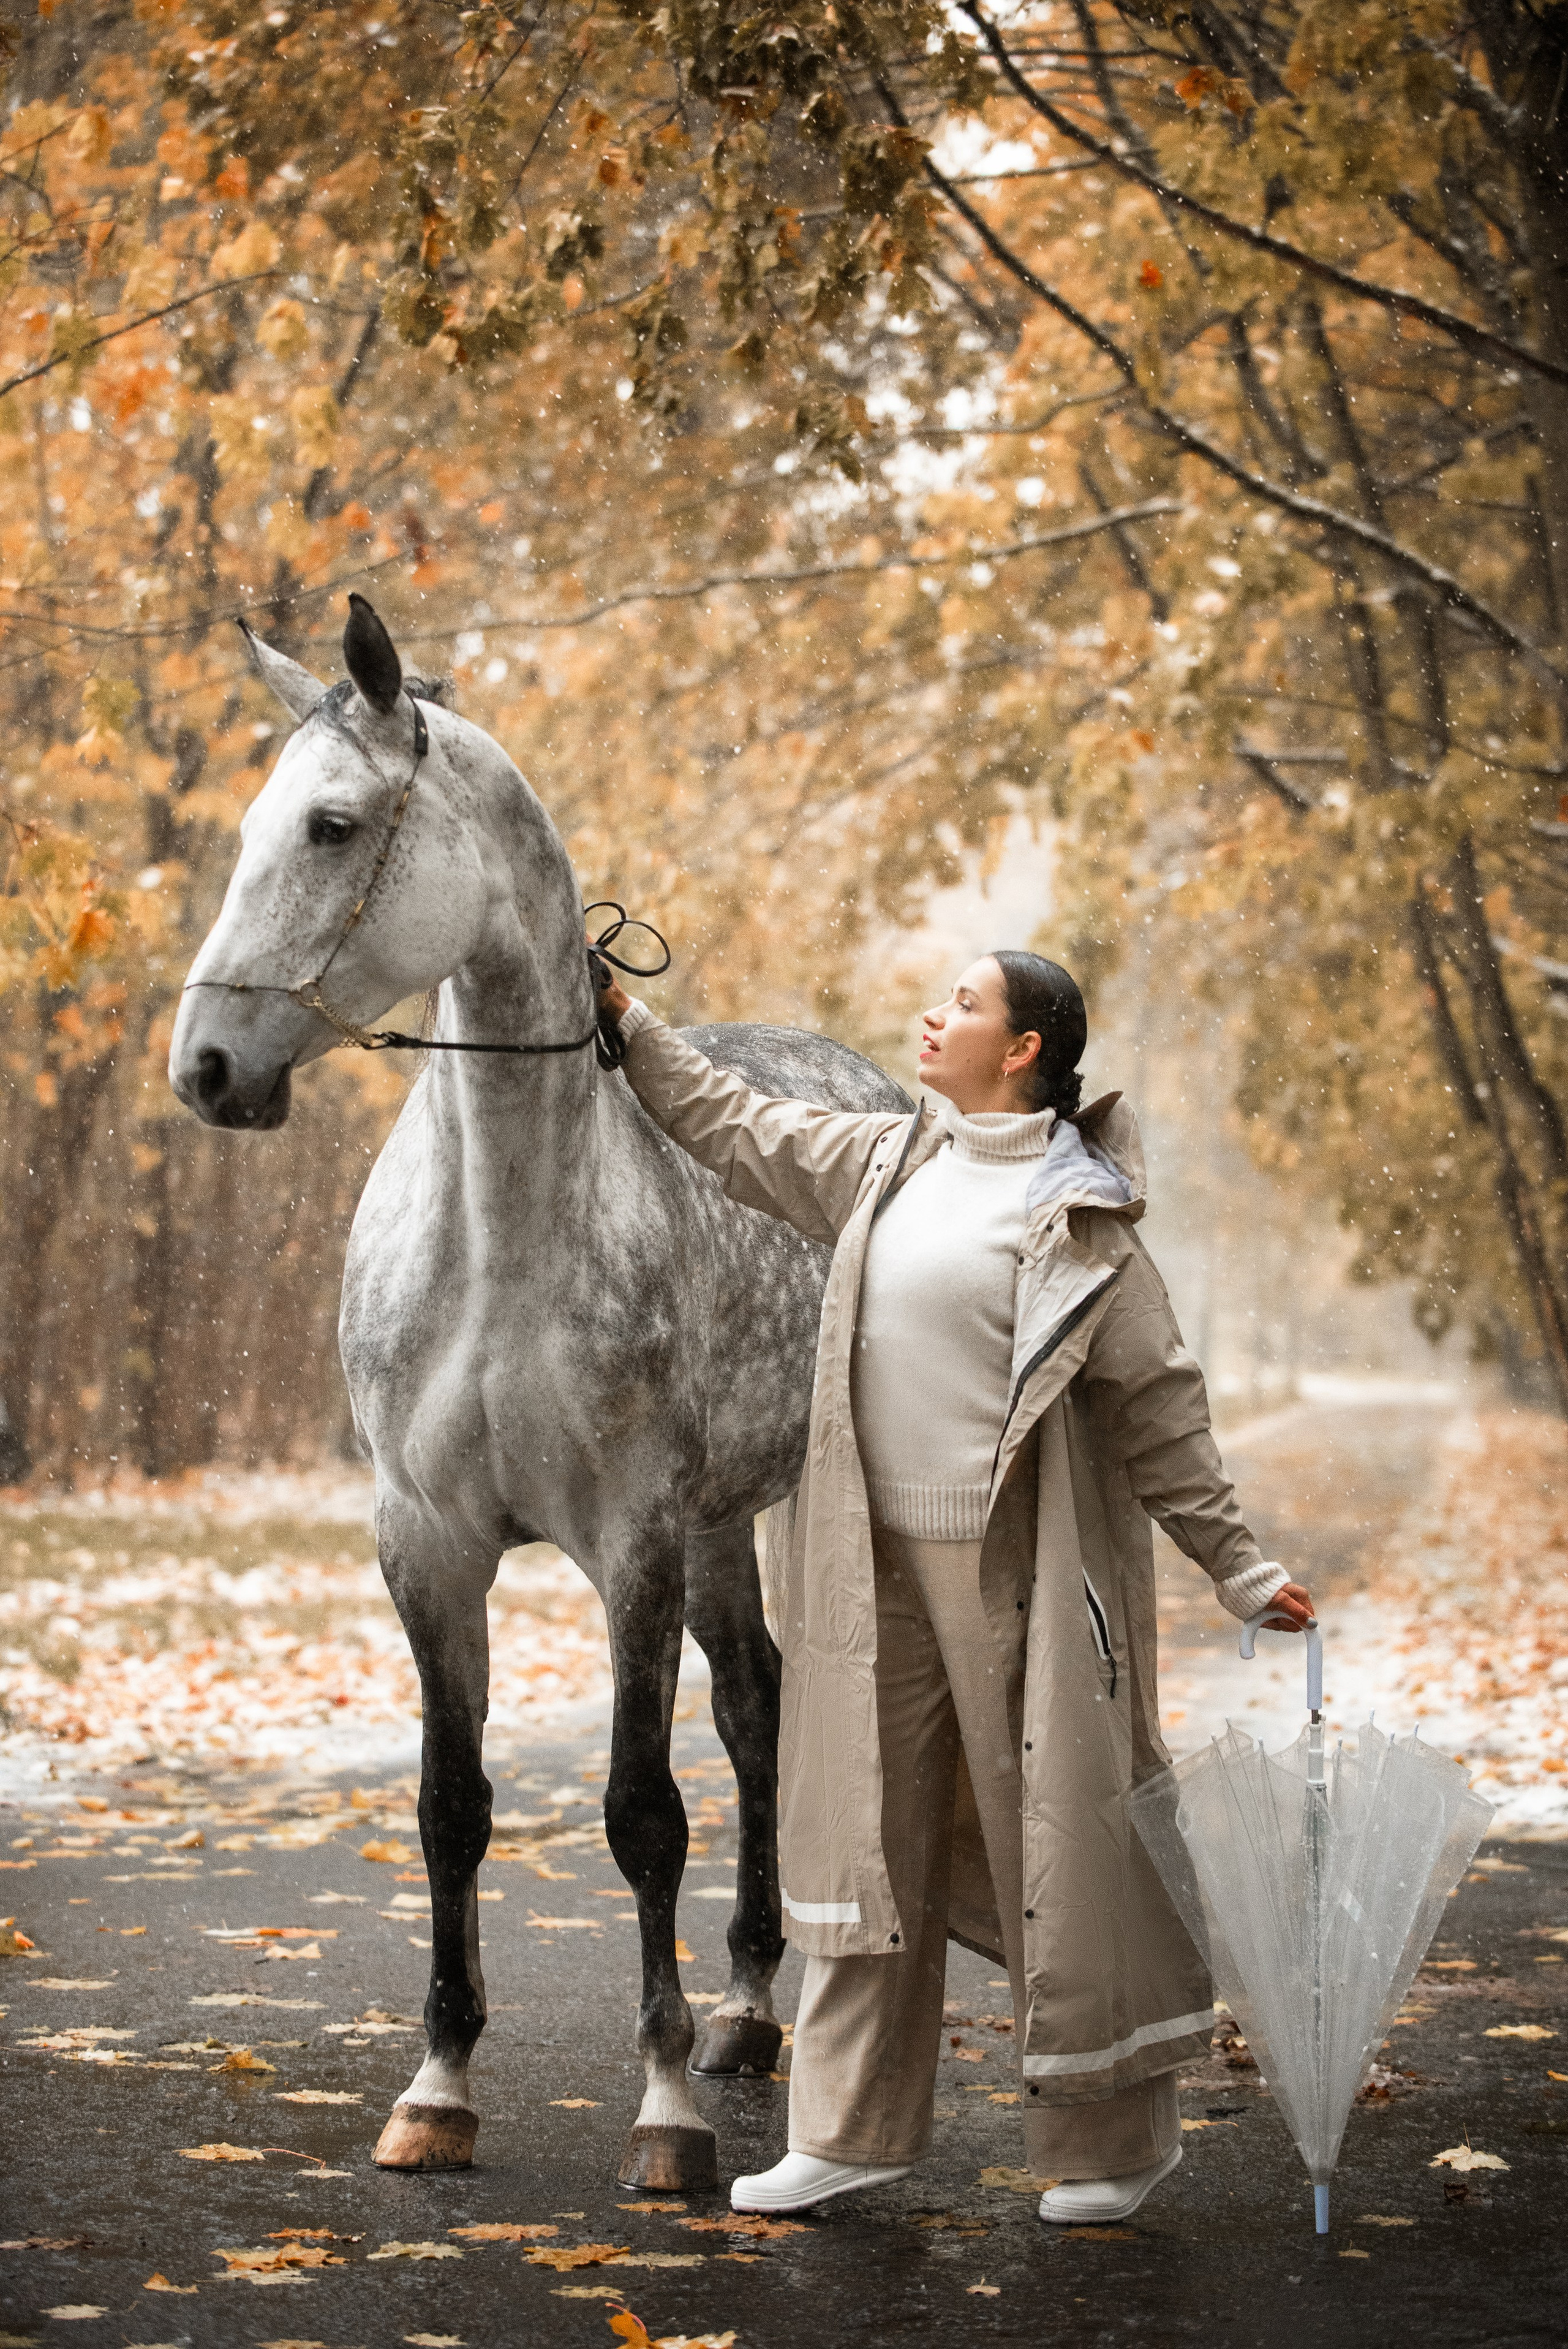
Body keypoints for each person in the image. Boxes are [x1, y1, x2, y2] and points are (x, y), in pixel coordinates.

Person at [595, 948, 1313, 2225]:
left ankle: (1111, 2143)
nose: (934, 1017)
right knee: (864, 1846)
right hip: (866, 1570)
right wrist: (625, 1019)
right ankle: (846, 2132)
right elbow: (732, 1125)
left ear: (1025, 1048)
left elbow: (1160, 1409)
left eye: (965, 1005)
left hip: (1012, 1577)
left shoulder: (1082, 1220)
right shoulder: (886, 1161)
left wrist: (1239, 1566)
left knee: (1056, 1845)